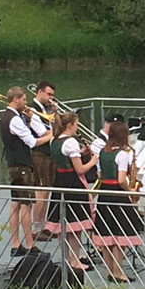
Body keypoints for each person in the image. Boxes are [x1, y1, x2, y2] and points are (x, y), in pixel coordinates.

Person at [0, 86, 52, 257]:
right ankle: (30, 245)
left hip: (14, 164)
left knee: (15, 203)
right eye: (23, 99)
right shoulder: (13, 119)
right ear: (15, 99)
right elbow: (31, 142)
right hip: (22, 166)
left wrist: (28, 121)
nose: (25, 102)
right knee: (26, 204)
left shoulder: (9, 117)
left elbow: (22, 134)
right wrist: (53, 134)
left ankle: (16, 244)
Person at [45, 112, 98, 271]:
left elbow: (65, 158)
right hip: (73, 185)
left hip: (60, 182)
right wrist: (94, 160)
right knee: (75, 226)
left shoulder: (55, 139)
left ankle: (67, 258)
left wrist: (80, 153)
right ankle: (75, 260)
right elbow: (80, 169)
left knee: (64, 225)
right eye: (76, 124)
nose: (77, 128)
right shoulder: (71, 142)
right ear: (70, 125)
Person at [92, 122, 142, 284]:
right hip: (118, 196)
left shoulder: (101, 152)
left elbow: (99, 175)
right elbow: (121, 179)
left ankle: (110, 271)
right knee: (121, 235)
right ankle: (119, 272)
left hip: (104, 195)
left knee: (106, 234)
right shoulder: (122, 155)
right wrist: (130, 191)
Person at [29, 81, 57, 241]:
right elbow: (41, 132)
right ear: (40, 92)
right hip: (39, 153)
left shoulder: (46, 109)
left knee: (47, 190)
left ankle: (42, 225)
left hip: (49, 152)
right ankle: (35, 228)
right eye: (49, 94)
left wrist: (56, 115)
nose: (51, 98)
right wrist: (56, 129)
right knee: (41, 190)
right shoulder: (33, 110)